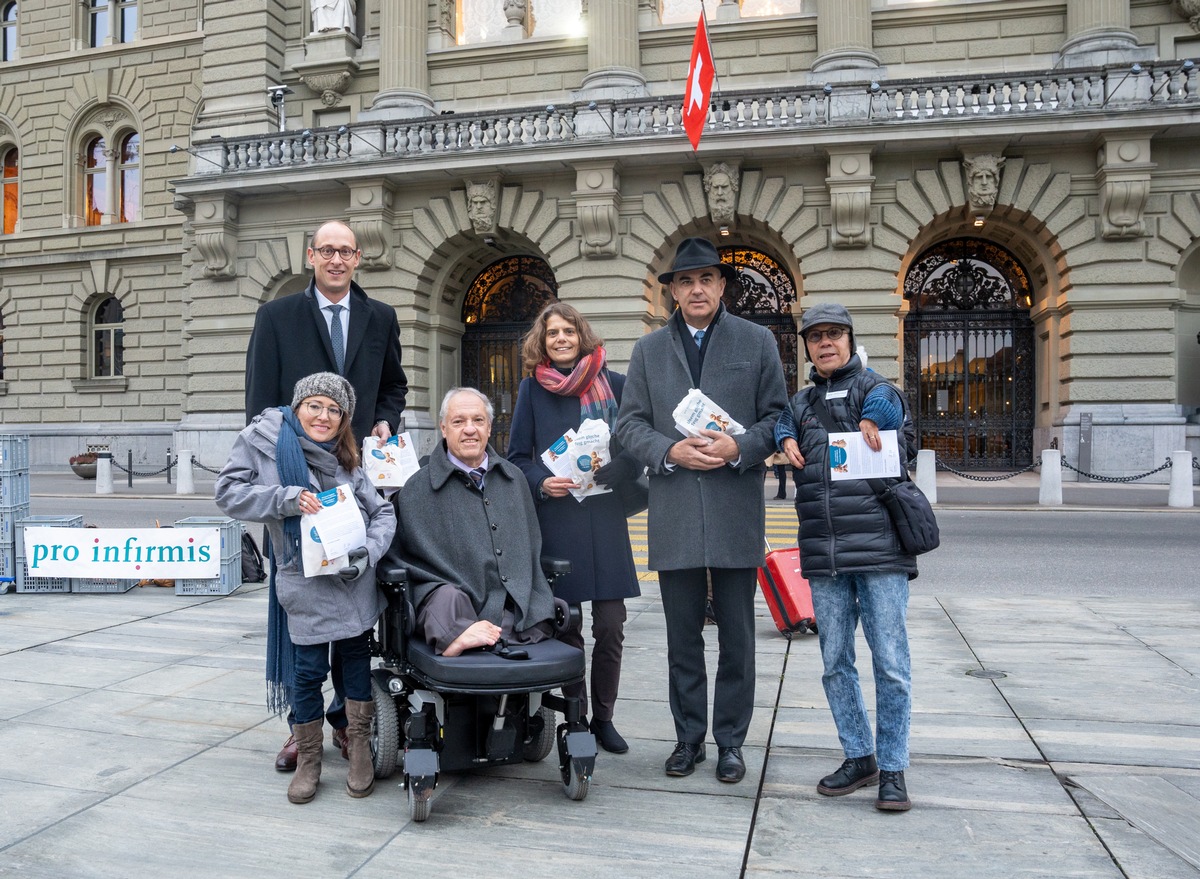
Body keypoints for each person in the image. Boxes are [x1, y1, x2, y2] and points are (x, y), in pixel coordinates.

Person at [616, 237, 787, 784]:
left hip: (735, 507)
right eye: (685, 281)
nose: (696, 289)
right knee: (682, 637)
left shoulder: (756, 341)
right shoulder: (647, 351)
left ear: (721, 286)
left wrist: (740, 448)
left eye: (706, 279)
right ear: (672, 291)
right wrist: (668, 450)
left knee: (738, 636)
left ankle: (731, 742)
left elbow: (777, 418)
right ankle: (688, 738)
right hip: (675, 510)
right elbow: (629, 425)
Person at [245, 219, 407, 772]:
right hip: (297, 488)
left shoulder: (380, 317)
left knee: (354, 612)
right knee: (301, 617)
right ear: (310, 256)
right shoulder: (276, 316)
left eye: (346, 251)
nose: (337, 259)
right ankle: (301, 725)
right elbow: (261, 402)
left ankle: (346, 723)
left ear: (358, 258)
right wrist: (280, 479)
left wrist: (385, 421)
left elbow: (393, 385)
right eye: (327, 250)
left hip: (356, 482)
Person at [216, 373, 396, 805]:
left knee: (354, 665)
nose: (324, 416)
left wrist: (368, 553)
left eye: (335, 410)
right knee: (308, 672)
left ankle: (358, 756)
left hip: (353, 583)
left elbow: (383, 513)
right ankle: (310, 760)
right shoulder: (263, 441)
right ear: (298, 407)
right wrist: (286, 499)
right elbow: (228, 493)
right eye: (316, 405)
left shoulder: (347, 458)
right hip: (305, 584)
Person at [775, 302, 917, 812]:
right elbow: (779, 423)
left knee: (891, 664)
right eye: (816, 337)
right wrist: (784, 436)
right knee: (836, 663)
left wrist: (870, 420)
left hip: (880, 553)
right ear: (808, 346)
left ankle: (894, 768)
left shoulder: (873, 388)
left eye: (834, 334)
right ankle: (860, 756)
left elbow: (890, 405)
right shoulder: (803, 401)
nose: (825, 343)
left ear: (850, 340)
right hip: (824, 553)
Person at [506, 303, 642, 754]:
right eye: (551, 334)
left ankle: (604, 717)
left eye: (567, 331)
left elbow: (640, 440)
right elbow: (516, 458)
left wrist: (624, 465)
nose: (560, 339)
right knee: (567, 626)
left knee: (611, 624)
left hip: (604, 520)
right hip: (558, 520)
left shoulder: (617, 385)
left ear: (581, 335)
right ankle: (576, 714)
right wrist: (542, 483)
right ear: (541, 343)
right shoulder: (532, 390)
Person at [387, 388, 557, 658]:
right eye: (458, 422)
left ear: (489, 428)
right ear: (444, 428)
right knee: (446, 600)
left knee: (535, 608)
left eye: (478, 421)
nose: (469, 429)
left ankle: (485, 632)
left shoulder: (514, 479)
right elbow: (399, 557)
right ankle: (458, 633)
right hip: (448, 602)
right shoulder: (416, 486)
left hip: (510, 603)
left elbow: (529, 546)